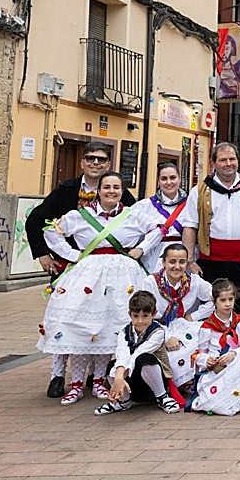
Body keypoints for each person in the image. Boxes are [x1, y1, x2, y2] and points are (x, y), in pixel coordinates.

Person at [25, 142, 136, 397]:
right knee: (65, 318)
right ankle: (58, 375)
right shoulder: (66, 190)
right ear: (83, 162)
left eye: (101, 160)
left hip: (107, 273)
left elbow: (134, 221)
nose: (95, 163)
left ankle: (94, 376)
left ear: (108, 165)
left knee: (102, 319)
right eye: (90, 159)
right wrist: (43, 253)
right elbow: (37, 220)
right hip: (72, 266)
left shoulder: (118, 192)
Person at [183, 142, 240, 331]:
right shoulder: (199, 190)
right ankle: (211, 354)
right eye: (223, 160)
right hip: (211, 260)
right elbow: (190, 226)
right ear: (214, 163)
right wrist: (190, 260)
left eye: (232, 159)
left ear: (238, 161)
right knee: (211, 309)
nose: (228, 163)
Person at [139, 243, 213, 394]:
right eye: (172, 261)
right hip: (154, 327)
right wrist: (166, 336)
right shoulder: (150, 282)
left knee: (207, 336)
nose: (177, 266)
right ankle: (175, 384)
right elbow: (144, 316)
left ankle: (192, 379)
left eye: (182, 262)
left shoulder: (194, 281)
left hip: (180, 325)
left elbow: (216, 298)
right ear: (163, 262)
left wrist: (194, 316)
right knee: (170, 350)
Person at [95, 290, 183, 415]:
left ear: (154, 314)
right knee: (112, 365)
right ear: (129, 314)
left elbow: (138, 353)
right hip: (131, 386)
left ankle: (162, 397)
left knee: (144, 358)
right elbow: (123, 354)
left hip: (154, 384)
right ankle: (123, 400)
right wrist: (119, 377)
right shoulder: (124, 332)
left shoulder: (158, 332)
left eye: (145, 316)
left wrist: (120, 376)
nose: (140, 321)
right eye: (136, 316)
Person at [189, 278, 240, 415]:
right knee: (213, 401)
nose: (228, 304)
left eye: (230, 299)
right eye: (223, 300)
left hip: (235, 364)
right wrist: (207, 360)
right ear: (214, 302)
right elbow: (199, 354)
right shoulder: (207, 327)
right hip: (216, 370)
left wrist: (234, 354)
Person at [132, 161, 191, 274]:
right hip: (154, 260)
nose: (169, 182)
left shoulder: (191, 205)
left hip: (184, 258)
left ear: (179, 179)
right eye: (164, 179)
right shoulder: (144, 206)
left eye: (173, 178)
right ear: (158, 182)